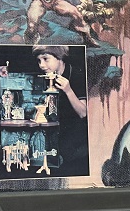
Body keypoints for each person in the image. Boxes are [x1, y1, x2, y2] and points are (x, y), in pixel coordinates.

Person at [32, 45, 89, 175]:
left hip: (76, 142)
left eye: (46, 59)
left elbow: (83, 113)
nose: (41, 65)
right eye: (39, 60)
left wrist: (68, 90)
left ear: (59, 57)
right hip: (56, 136)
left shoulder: (77, 75)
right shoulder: (47, 77)